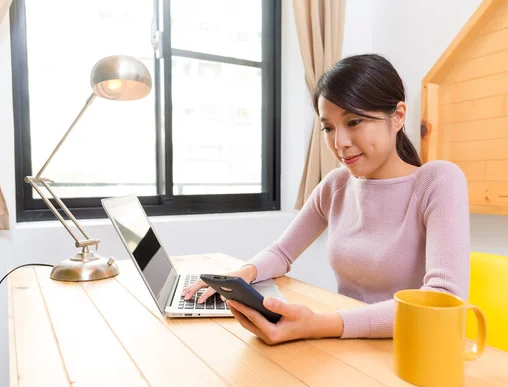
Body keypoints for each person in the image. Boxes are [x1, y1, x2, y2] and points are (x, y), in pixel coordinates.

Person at [183, 54, 470, 345]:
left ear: (397, 116)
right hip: (348, 343)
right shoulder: (336, 185)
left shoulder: (437, 181)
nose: (340, 143)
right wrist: (243, 274)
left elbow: (441, 299)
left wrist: (317, 324)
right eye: (328, 128)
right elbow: (282, 253)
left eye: (354, 121)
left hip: (416, 349)